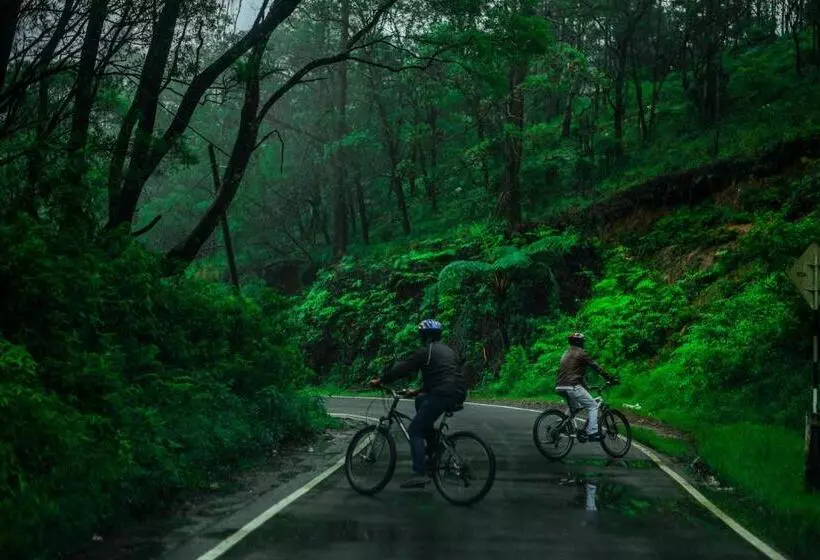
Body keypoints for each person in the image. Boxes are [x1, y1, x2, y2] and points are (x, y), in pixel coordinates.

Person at [369, 319, 467, 489]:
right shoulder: (448, 351)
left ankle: (419, 473)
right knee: (421, 400)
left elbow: (404, 368)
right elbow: (442, 376)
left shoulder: (426, 351)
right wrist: (417, 391)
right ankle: (433, 444)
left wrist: (381, 380)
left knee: (415, 429)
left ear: (424, 336)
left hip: (442, 393)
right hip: (457, 392)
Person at [555, 332, 618, 442]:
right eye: (583, 341)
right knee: (593, 406)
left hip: (560, 386)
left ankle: (562, 426)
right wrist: (610, 378)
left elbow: (573, 372)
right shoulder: (581, 353)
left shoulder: (566, 353)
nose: (584, 343)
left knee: (574, 408)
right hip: (572, 386)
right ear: (580, 342)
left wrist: (585, 386)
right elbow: (595, 366)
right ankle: (592, 432)